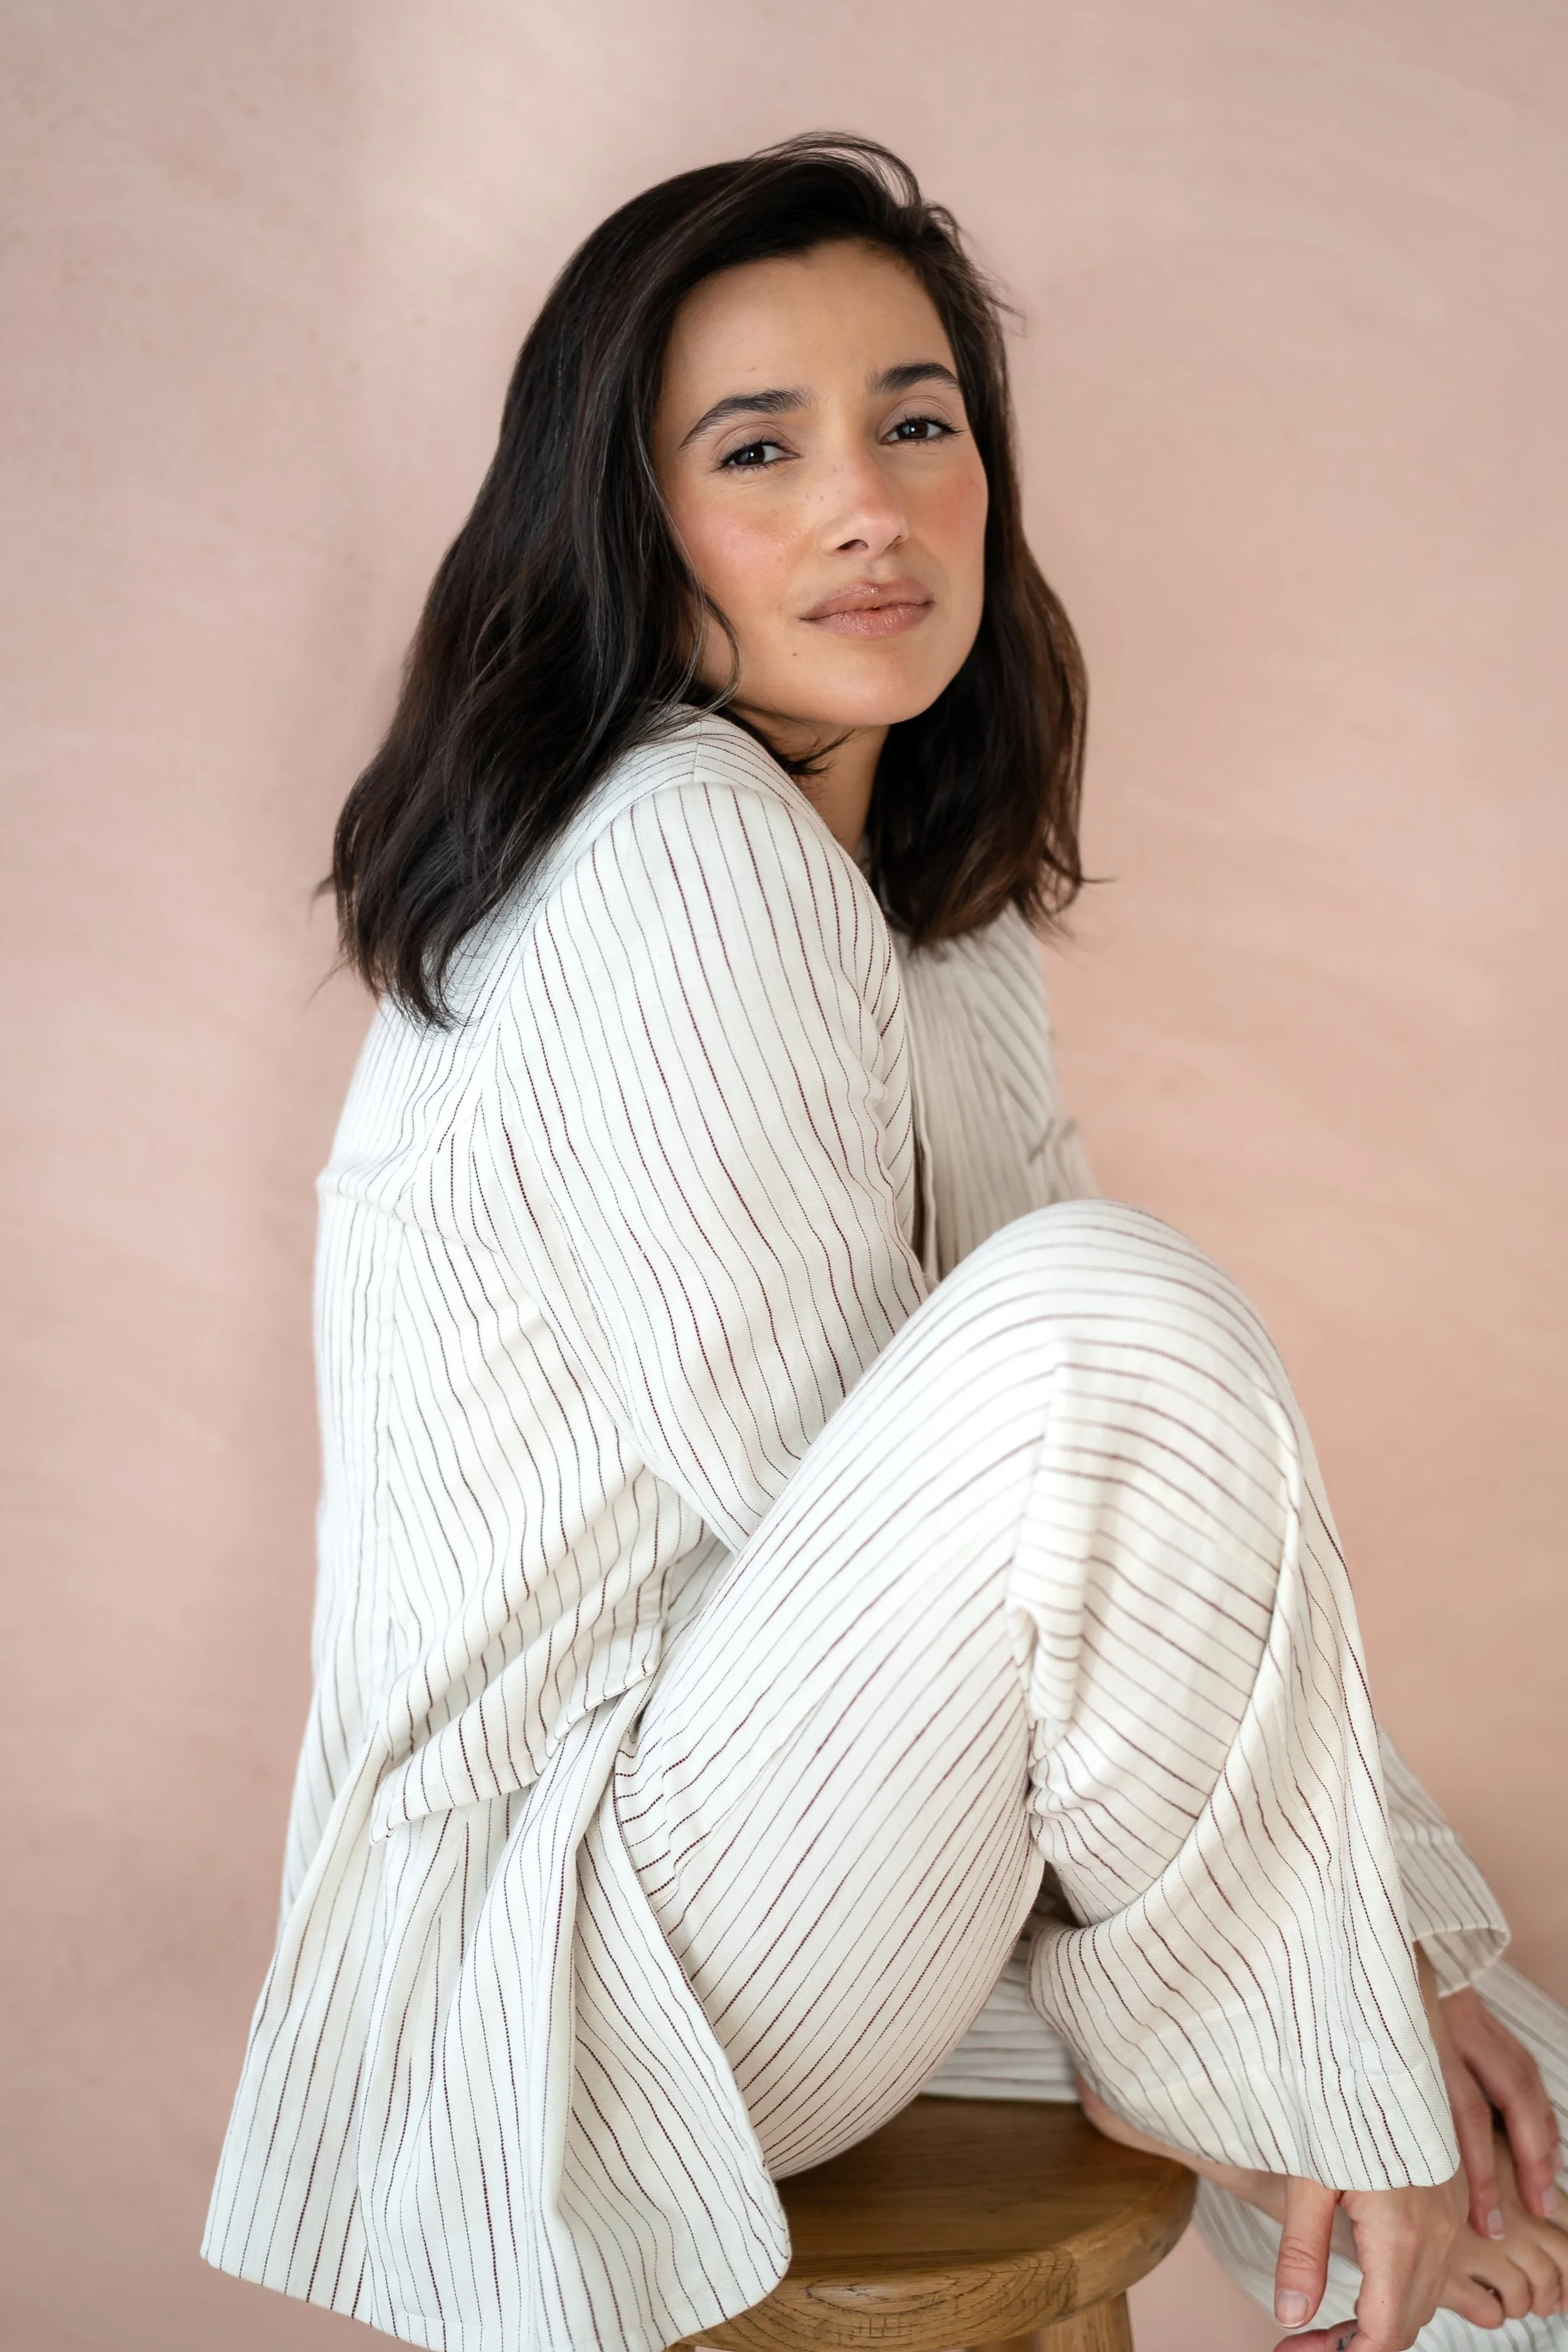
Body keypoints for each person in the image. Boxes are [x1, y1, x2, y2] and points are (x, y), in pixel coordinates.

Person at [203, 135, 1568, 2352]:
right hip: (577, 1959)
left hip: (827, 1859)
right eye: (761, 447)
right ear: (631, 541)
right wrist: (1318, 2034)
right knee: (1105, 1320)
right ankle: (1284, 2088)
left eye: (917, 423)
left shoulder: (932, 940)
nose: (871, 501)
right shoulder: (667, 855)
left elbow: (1120, 1592)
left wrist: (1403, 1952)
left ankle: (1328, 2110)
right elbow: (876, 1500)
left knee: (1521, 2067)